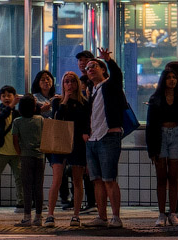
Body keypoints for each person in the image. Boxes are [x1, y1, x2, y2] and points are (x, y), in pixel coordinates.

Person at [81, 49, 130, 230]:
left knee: (109, 178)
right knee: (97, 180)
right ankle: (101, 216)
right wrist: (86, 132)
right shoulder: (92, 91)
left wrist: (109, 59)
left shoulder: (110, 85)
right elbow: (91, 115)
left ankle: (115, 217)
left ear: (103, 70)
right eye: (87, 68)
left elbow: (117, 75)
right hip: (93, 139)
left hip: (108, 136)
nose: (90, 69)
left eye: (94, 66)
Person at [145, 62, 178, 229]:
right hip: (161, 137)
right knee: (161, 177)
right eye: (169, 78)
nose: (172, 80)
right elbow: (150, 126)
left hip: (177, 136)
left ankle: (172, 213)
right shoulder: (155, 99)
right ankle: (161, 213)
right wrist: (151, 149)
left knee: (174, 177)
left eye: (174, 77)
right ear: (163, 80)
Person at [46, 71, 89, 229]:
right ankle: (50, 214)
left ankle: (76, 215)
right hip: (60, 141)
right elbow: (57, 118)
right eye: (66, 82)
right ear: (62, 84)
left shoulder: (83, 102)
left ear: (77, 84)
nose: (70, 84)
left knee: (77, 180)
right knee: (56, 179)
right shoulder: (57, 101)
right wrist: (64, 99)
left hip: (77, 143)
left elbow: (85, 124)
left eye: (72, 81)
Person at [0, 86, 24, 215]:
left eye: (9, 95)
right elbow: (1, 117)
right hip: (1, 150)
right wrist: (12, 106)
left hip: (16, 151)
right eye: (3, 96)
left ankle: (21, 203)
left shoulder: (18, 113)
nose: (7, 98)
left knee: (19, 178)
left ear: (14, 96)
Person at [10, 95, 45, 226]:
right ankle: (39, 217)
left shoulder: (17, 122)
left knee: (27, 187)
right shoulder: (40, 119)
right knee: (38, 187)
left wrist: (20, 153)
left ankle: (27, 217)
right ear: (34, 107)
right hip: (40, 156)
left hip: (25, 156)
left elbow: (15, 140)